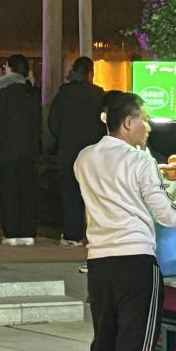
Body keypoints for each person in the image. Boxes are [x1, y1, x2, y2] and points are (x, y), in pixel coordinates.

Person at [69, 91, 176, 351]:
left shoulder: (84, 158)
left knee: (102, 346)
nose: (148, 127)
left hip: (99, 262)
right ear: (127, 123)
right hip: (136, 262)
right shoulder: (140, 160)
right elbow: (167, 216)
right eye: (145, 120)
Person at [48, 56, 107, 247]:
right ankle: (95, 234)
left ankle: (72, 235)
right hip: (93, 153)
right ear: (90, 73)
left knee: (71, 193)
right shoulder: (98, 95)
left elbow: (53, 122)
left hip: (68, 151)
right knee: (94, 194)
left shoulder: (64, 94)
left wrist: (63, 138)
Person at [0, 55, 42, 247]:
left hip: (7, 151)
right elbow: (38, 124)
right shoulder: (33, 93)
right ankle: (28, 233)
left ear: (10, 70)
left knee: (9, 191)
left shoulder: (5, 93)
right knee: (27, 190)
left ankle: (11, 233)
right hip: (29, 150)